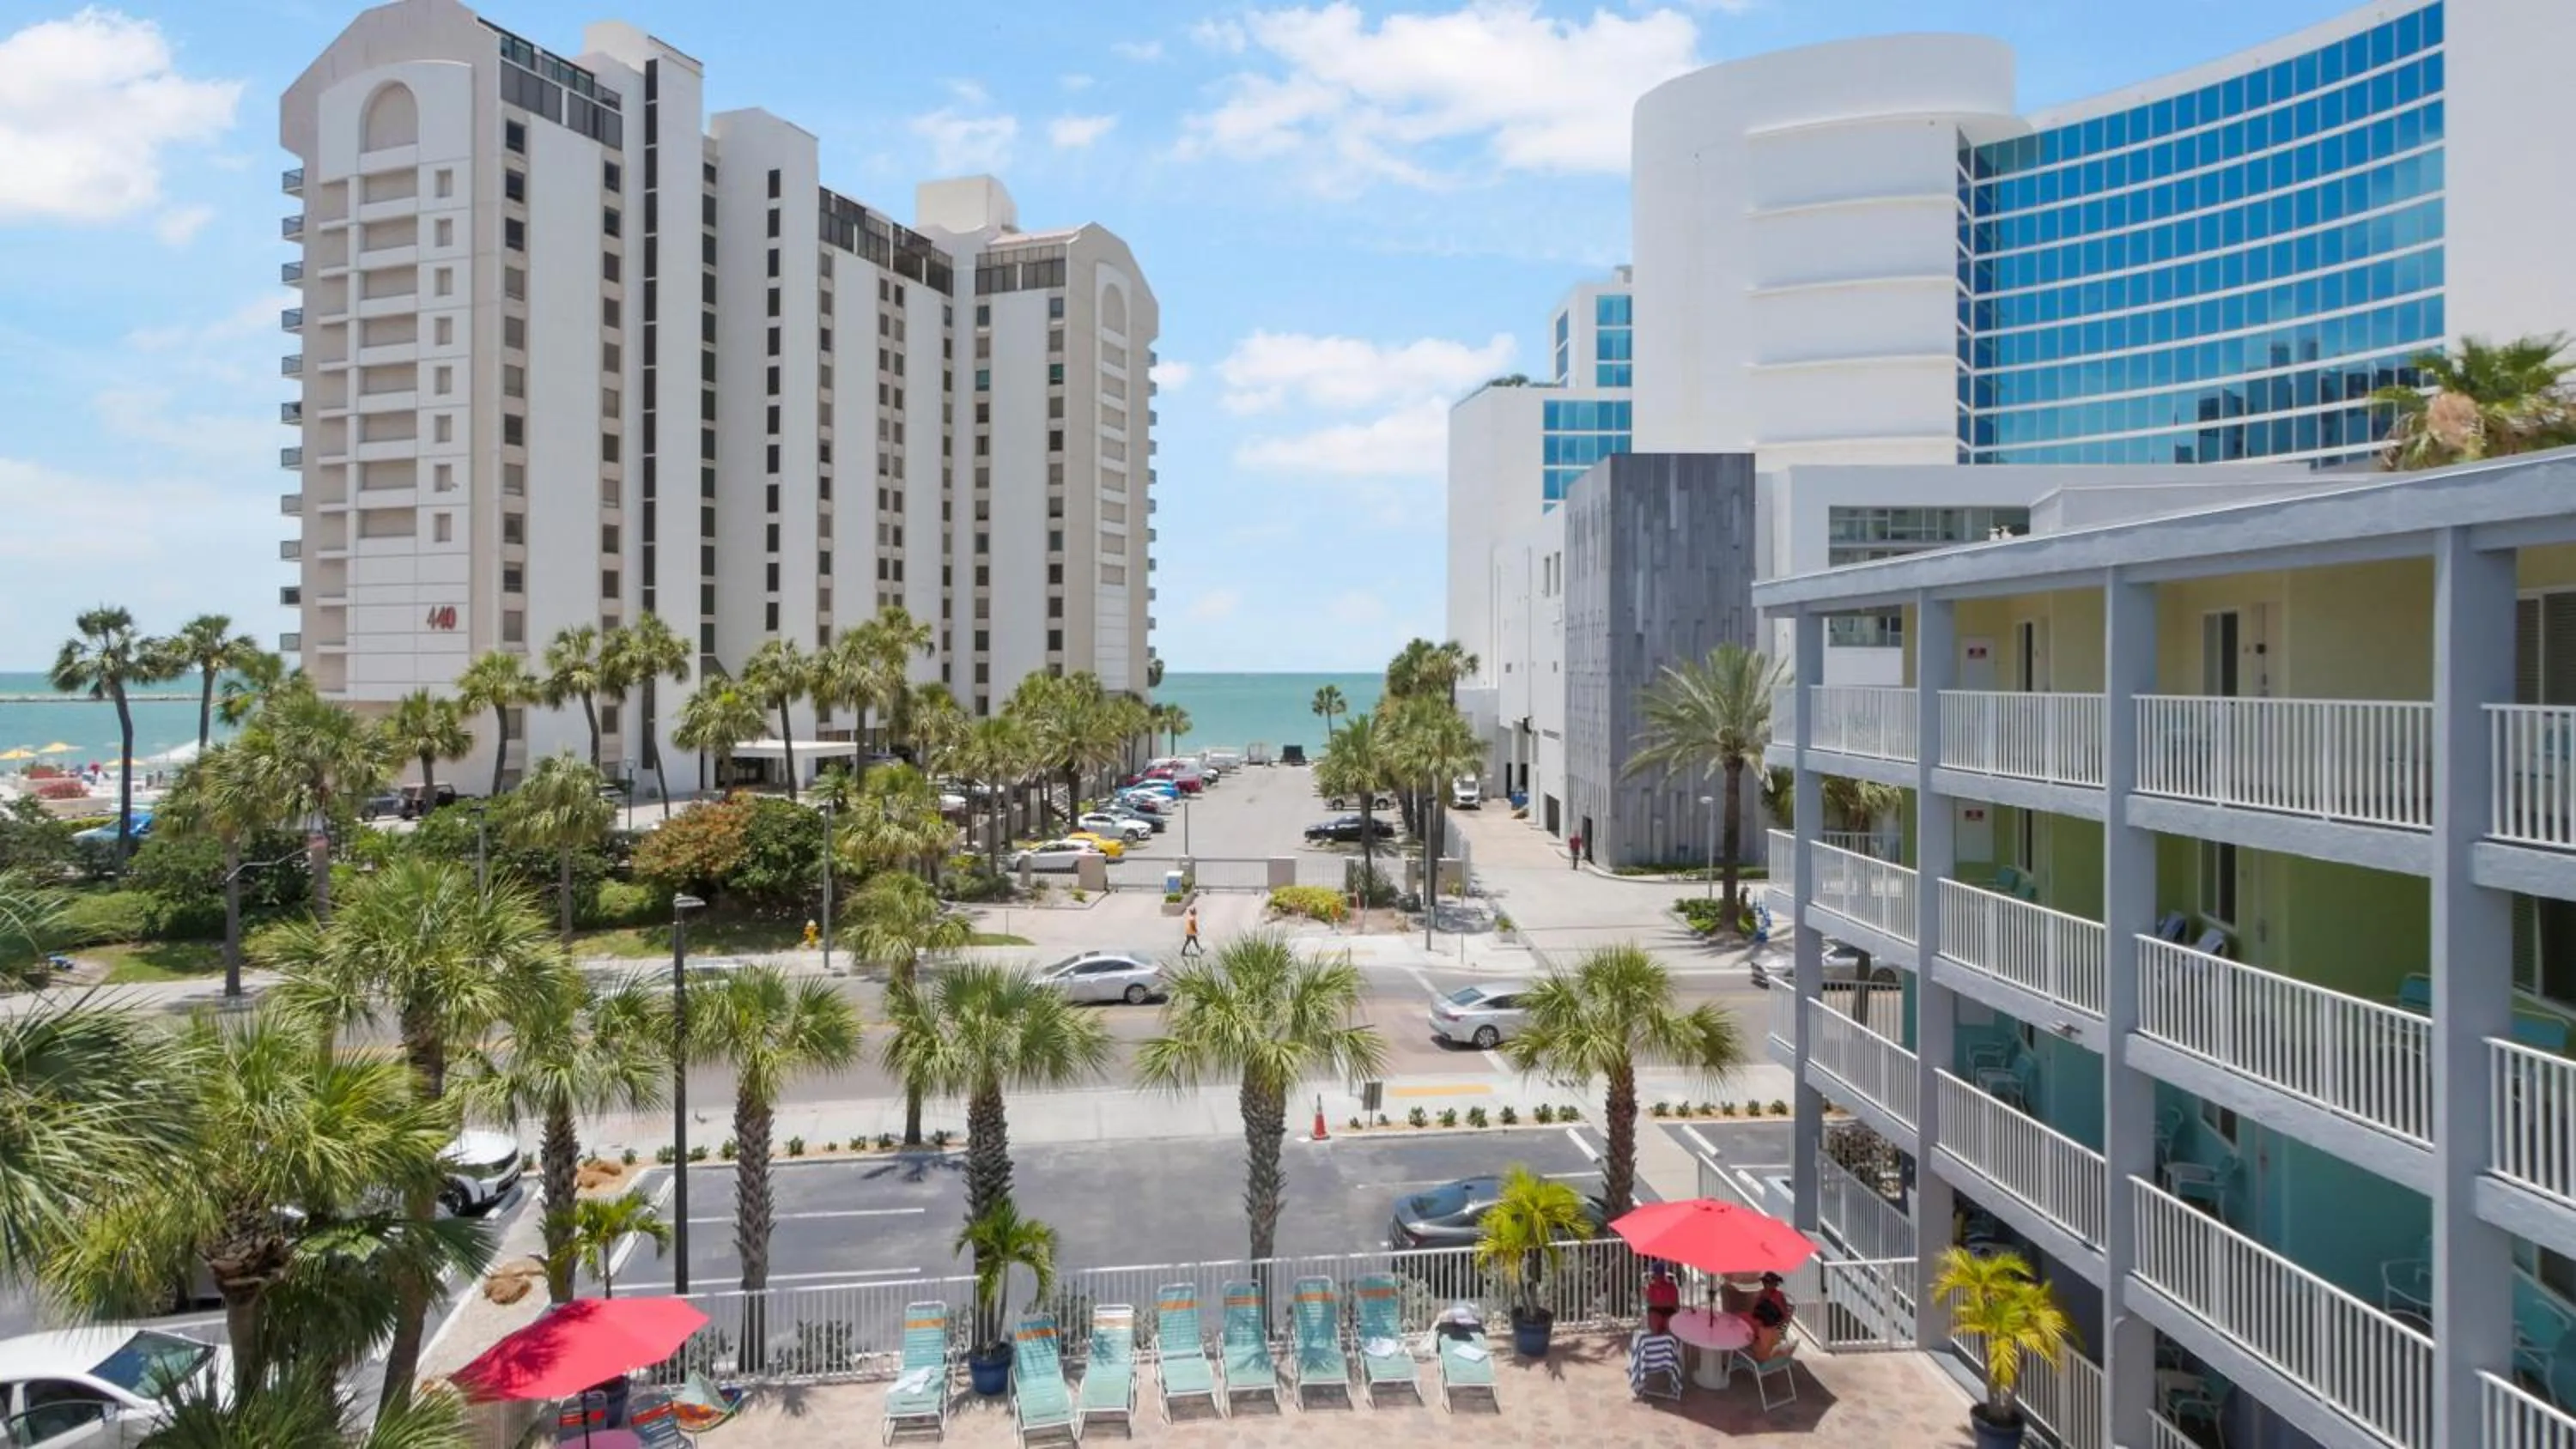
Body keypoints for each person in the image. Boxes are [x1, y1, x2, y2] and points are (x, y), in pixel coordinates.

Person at [1747, 1271, 1795, 1359]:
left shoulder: (1778, 1295)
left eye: (1767, 1283)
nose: (1764, 1285)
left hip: (1772, 1324)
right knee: (1745, 1320)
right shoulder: (1762, 1294)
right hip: (1762, 1322)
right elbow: (1754, 1310)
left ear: (1774, 1284)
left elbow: (1782, 1314)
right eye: (1764, 1282)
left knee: (1753, 1328)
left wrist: (1766, 1300)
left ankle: (1761, 1352)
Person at [1644, 1264, 1681, 1335]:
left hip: (1669, 1311)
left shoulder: (1671, 1287)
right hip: (1655, 1311)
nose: (1658, 1277)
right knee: (1655, 1325)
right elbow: (1650, 1302)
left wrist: (1665, 1304)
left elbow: (1676, 1306)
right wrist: (1667, 1303)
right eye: (1656, 1275)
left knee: (1669, 1327)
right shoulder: (1651, 1287)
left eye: (1660, 1274)